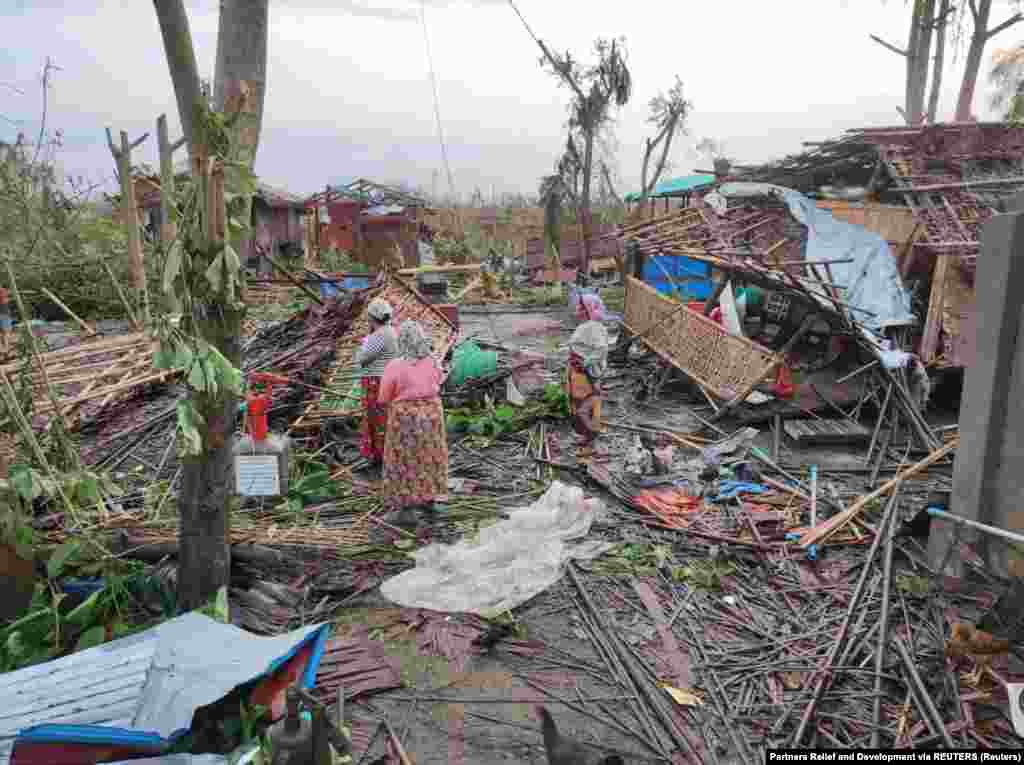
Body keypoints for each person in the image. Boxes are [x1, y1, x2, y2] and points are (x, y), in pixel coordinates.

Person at [378, 320, 448, 525]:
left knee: (404, 460)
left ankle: (405, 509)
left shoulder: (395, 366)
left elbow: (383, 398)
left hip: (405, 419)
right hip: (432, 416)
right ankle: (430, 500)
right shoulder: (433, 361)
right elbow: (439, 381)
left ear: (402, 341)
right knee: (430, 456)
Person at [354, 297, 397, 468]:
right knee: (384, 417)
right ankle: (384, 452)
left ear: (372, 318)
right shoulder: (392, 331)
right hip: (387, 379)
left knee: (375, 418)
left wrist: (362, 345)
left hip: (376, 381)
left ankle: (378, 454)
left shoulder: (379, 336)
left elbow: (361, 359)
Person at [566, 319, 609, 458]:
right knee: (578, 406)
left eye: (581, 306)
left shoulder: (594, 327)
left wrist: (587, 361)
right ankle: (585, 437)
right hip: (579, 373)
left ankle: (590, 444)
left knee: (587, 408)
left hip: (586, 374)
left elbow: (602, 348)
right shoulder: (587, 325)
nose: (577, 310)